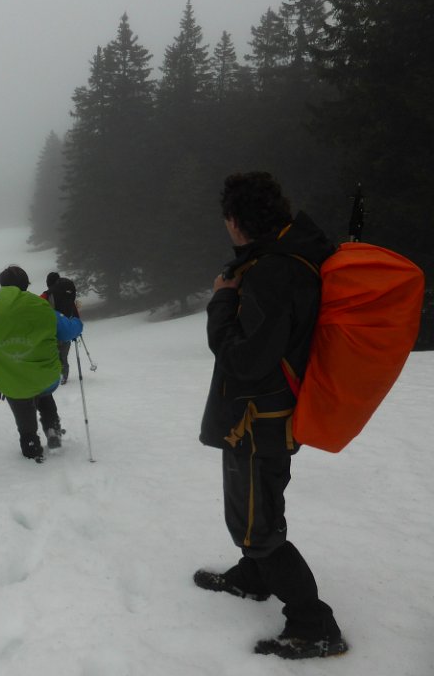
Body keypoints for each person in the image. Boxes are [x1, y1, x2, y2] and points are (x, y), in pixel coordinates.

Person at [195, 172, 347, 659]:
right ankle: (255, 576)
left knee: (259, 526)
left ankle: (314, 624)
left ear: (236, 221)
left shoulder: (274, 271)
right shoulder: (282, 257)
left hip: (258, 421)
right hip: (265, 415)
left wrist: (222, 298)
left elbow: (243, 359)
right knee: (253, 511)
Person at [0, 265, 82, 461]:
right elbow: (69, 331)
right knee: (44, 395)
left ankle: (30, 443)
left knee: (21, 403)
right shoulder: (39, 306)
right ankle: (52, 429)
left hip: (12, 380)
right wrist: (76, 320)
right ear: (25, 285)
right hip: (45, 376)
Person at [40, 272, 80, 384]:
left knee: (53, 355)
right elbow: (75, 311)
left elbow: (38, 310)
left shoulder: (46, 295)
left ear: (48, 282)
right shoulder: (67, 294)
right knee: (63, 355)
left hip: (51, 330)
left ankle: (54, 376)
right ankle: (63, 375)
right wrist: (75, 328)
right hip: (66, 329)